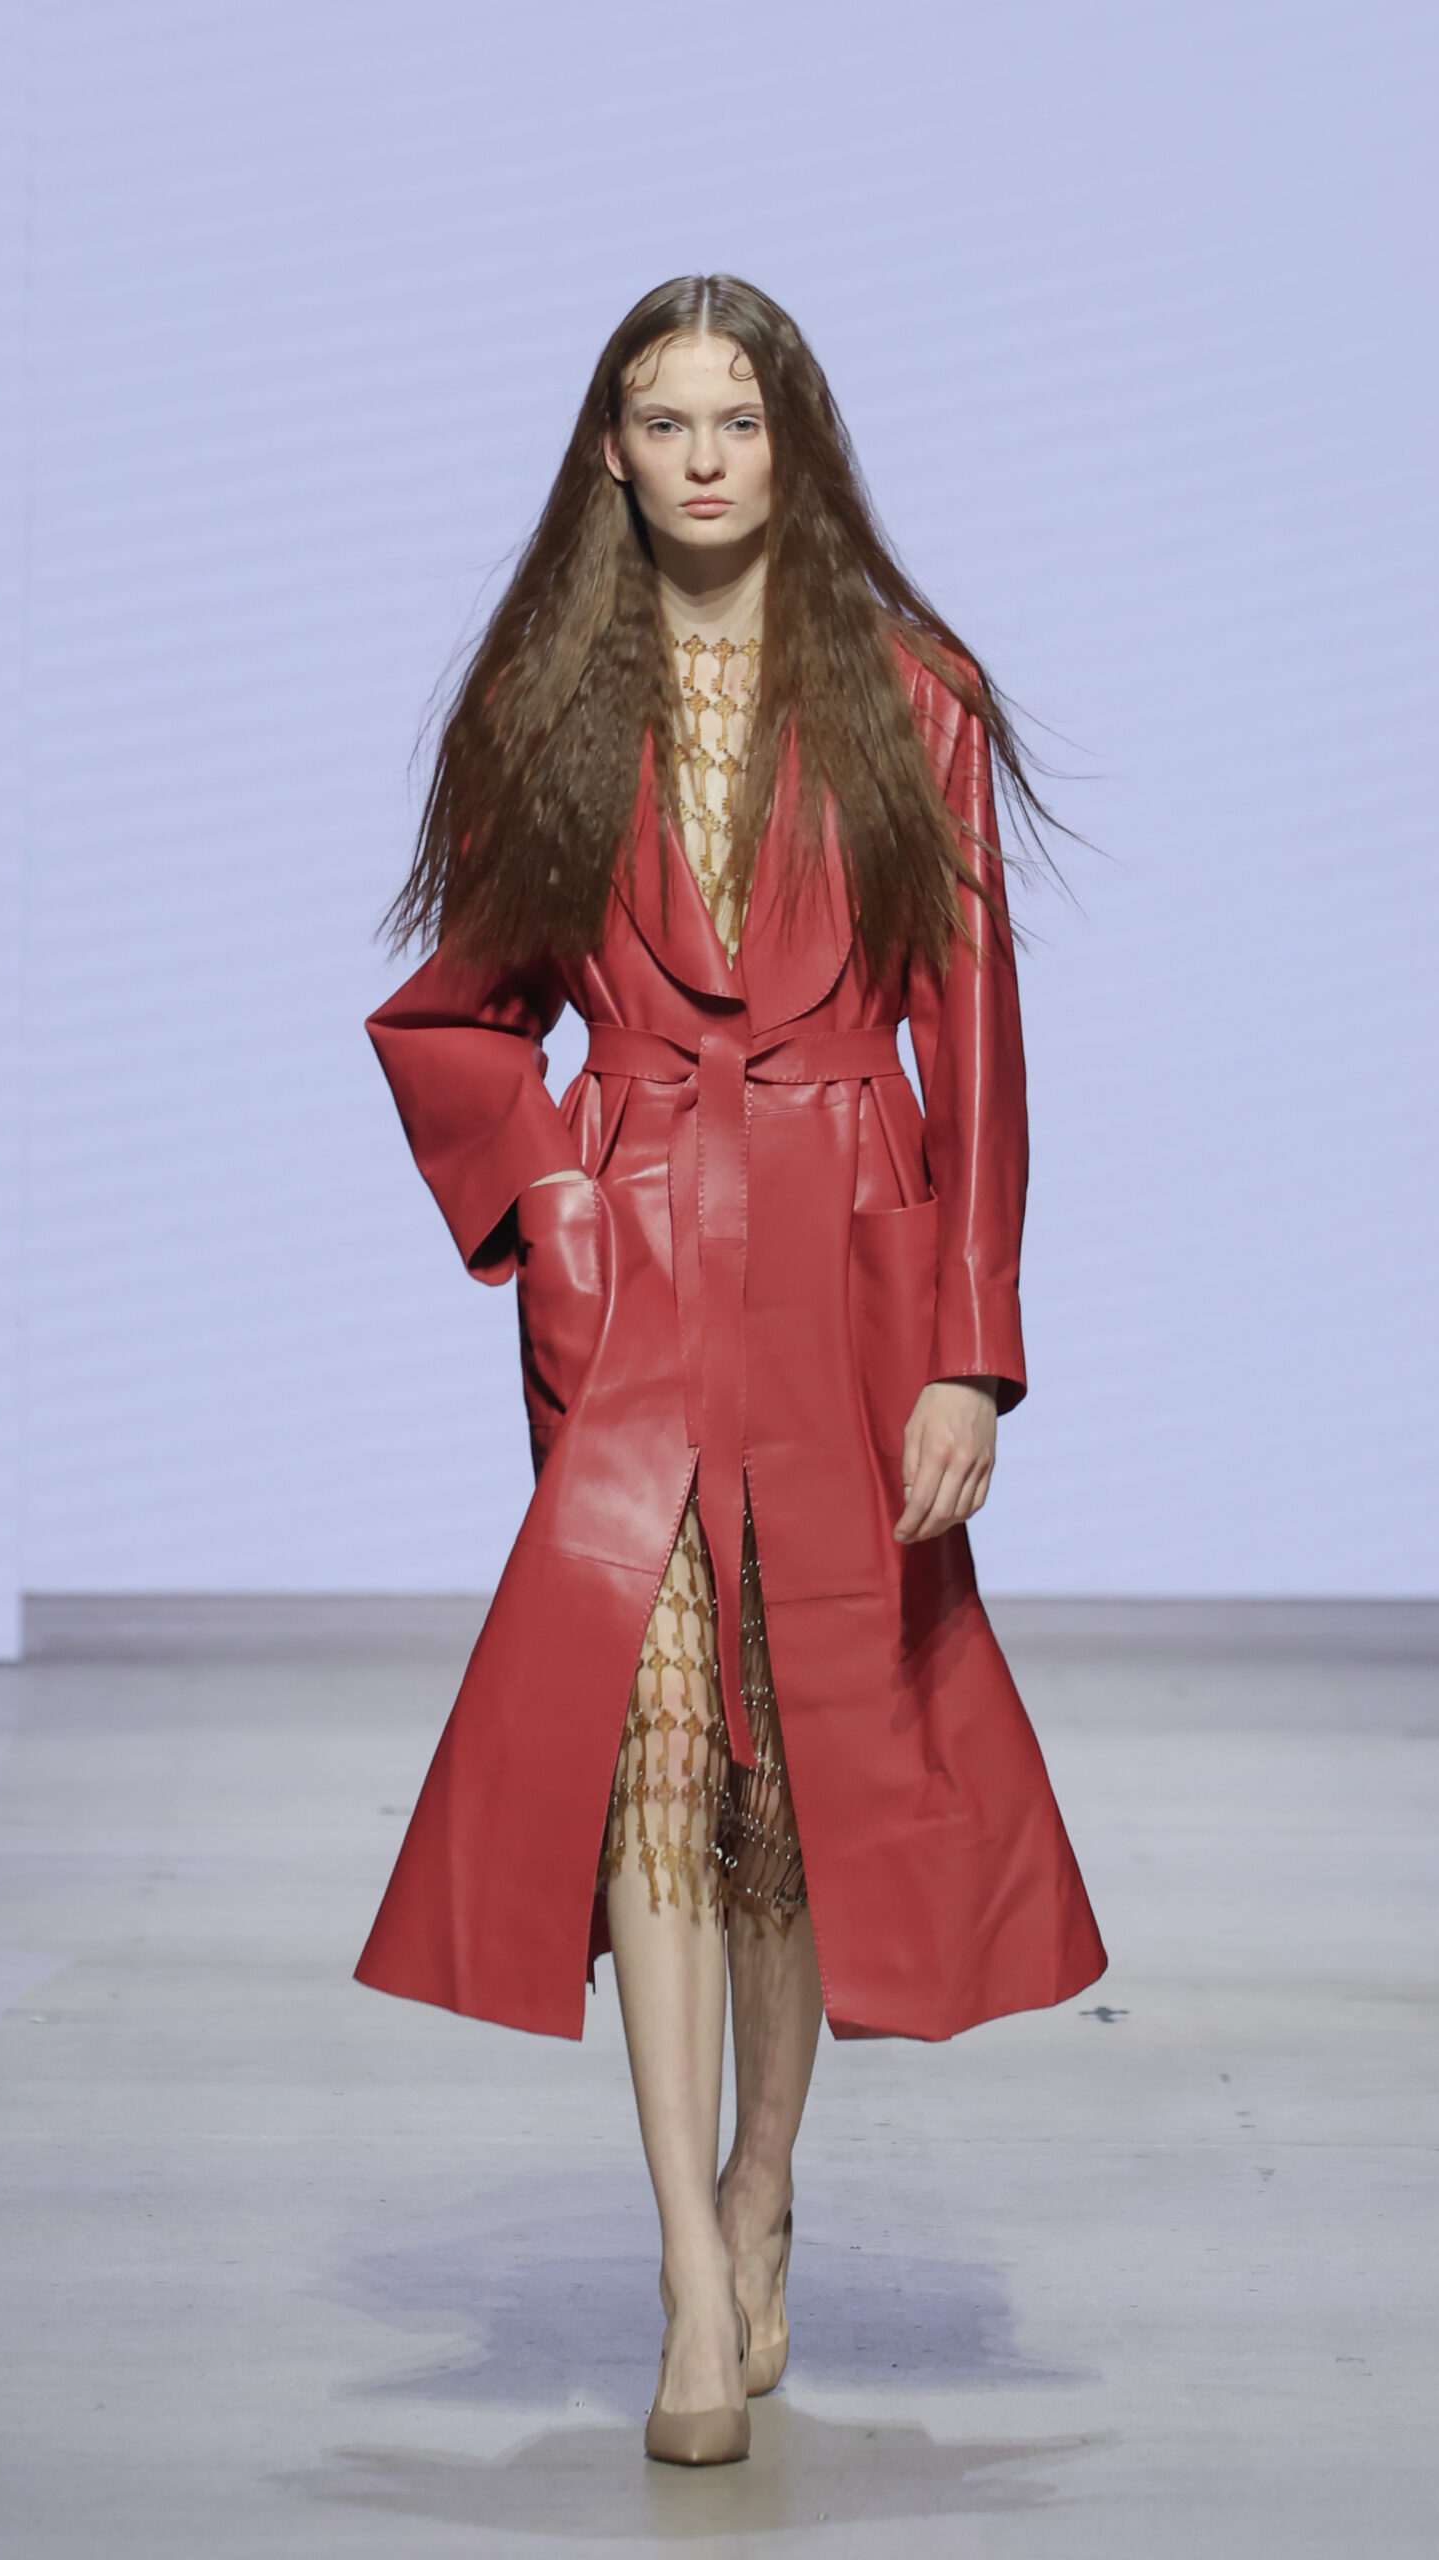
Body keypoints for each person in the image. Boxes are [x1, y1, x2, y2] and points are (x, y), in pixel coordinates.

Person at [356, 275, 1107, 2465]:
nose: (700, 456)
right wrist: (553, 1204)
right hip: (636, 1275)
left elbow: (974, 1037)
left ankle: (765, 2174)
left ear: (794, 442)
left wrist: (969, 1352)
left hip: (849, 1267)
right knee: (652, 1739)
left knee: (796, 1759)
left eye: (735, 418)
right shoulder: (545, 694)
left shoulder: (908, 691)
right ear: (608, 450)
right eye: (661, 418)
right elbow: (452, 1014)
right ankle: (688, 2260)